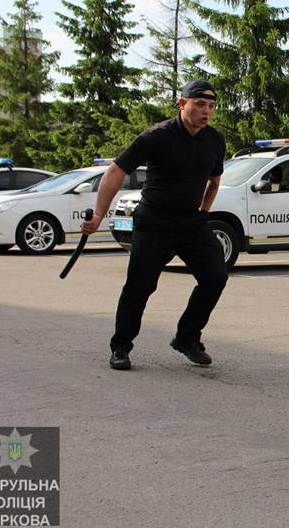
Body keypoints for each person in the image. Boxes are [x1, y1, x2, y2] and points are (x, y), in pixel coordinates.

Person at [81, 79, 228, 370]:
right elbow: (115, 171)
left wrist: (203, 212)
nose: (206, 111)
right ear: (182, 104)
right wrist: (99, 215)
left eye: (211, 106)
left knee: (215, 276)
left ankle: (187, 338)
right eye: (200, 104)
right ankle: (121, 346)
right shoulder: (157, 136)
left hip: (190, 222)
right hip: (155, 221)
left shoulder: (215, 140)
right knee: (140, 286)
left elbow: (214, 181)